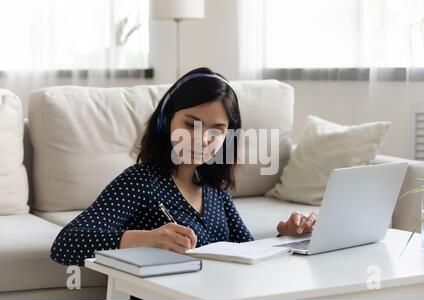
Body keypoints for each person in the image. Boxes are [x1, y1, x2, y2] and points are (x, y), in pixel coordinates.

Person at [50, 67, 317, 266]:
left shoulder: (215, 188)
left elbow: (245, 250)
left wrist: (285, 236)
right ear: (166, 121)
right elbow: (65, 244)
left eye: (217, 129)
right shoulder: (141, 181)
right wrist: (143, 239)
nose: (202, 139)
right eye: (191, 124)